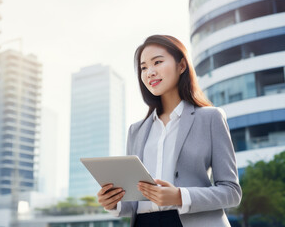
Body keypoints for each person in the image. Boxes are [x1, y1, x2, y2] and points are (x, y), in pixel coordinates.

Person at [97, 35, 242, 227]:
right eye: (143, 67)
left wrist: (181, 196)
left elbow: (231, 192)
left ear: (181, 65)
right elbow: (134, 202)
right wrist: (113, 203)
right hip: (143, 223)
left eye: (157, 62)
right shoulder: (136, 131)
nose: (150, 72)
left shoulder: (210, 118)